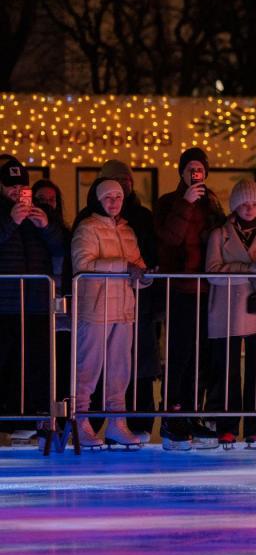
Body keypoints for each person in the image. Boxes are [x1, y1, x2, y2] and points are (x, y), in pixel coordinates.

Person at [204, 179, 256, 448]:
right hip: (228, 309)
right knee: (226, 370)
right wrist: (247, 268)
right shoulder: (220, 235)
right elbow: (213, 272)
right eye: (243, 204)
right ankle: (226, 426)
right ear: (235, 206)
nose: (249, 209)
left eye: (253, 204)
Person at [154, 147, 225, 449]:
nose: (196, 174)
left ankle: (192, 410)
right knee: (180, 353)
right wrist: (185, 204)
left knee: (200, 355)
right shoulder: (169, 202)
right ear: (181, 172)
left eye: (200, 169)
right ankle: (173, 415)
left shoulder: (212, 204)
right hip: (180, 287)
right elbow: (169, 238)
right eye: (190, 169)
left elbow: (219, 237)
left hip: (206, 288)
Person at [71, 178, 150, 447]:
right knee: (87, 368)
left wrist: (144, 275)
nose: (114, 202)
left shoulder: (127, 230)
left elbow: (136, 264)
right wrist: (125, 266)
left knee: (120, 369)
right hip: (95, 309)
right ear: (97, 200)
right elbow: (83, 264)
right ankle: (80, 421)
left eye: (118, 197)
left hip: (123, 308)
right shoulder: (87, 228)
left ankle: (117, 422)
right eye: (108, 197)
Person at [93, 159, 160, 437]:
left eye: (127, 182)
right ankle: (96, 420)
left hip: (137, 301)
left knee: (137, 362)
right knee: (100, 362)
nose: (124, 186)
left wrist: (147, 276)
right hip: (102, 301)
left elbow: (147, 255)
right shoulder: (91, 220)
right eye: (118, 182)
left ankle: (138, 421)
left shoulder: (141, 219)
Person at [0, 159, 63, 441]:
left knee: (35, 361)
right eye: (11, 185)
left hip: (37, 302)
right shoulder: (5, 214)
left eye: (21, 185)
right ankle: (9, 420)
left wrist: (46, 225)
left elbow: (61, 246)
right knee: (7, 361)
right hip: (6, 301)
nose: (17, 191)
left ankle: (31, 418)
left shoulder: (41, 213)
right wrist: (10, 221)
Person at [32, 179, 72, 415]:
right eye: (41, 200)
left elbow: (61, 251)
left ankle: (62, 418)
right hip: (36, 309)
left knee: (63, 368)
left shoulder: (63, 233)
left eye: (51, 200)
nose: (47, 204)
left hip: (62, 313)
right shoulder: (25, 233)